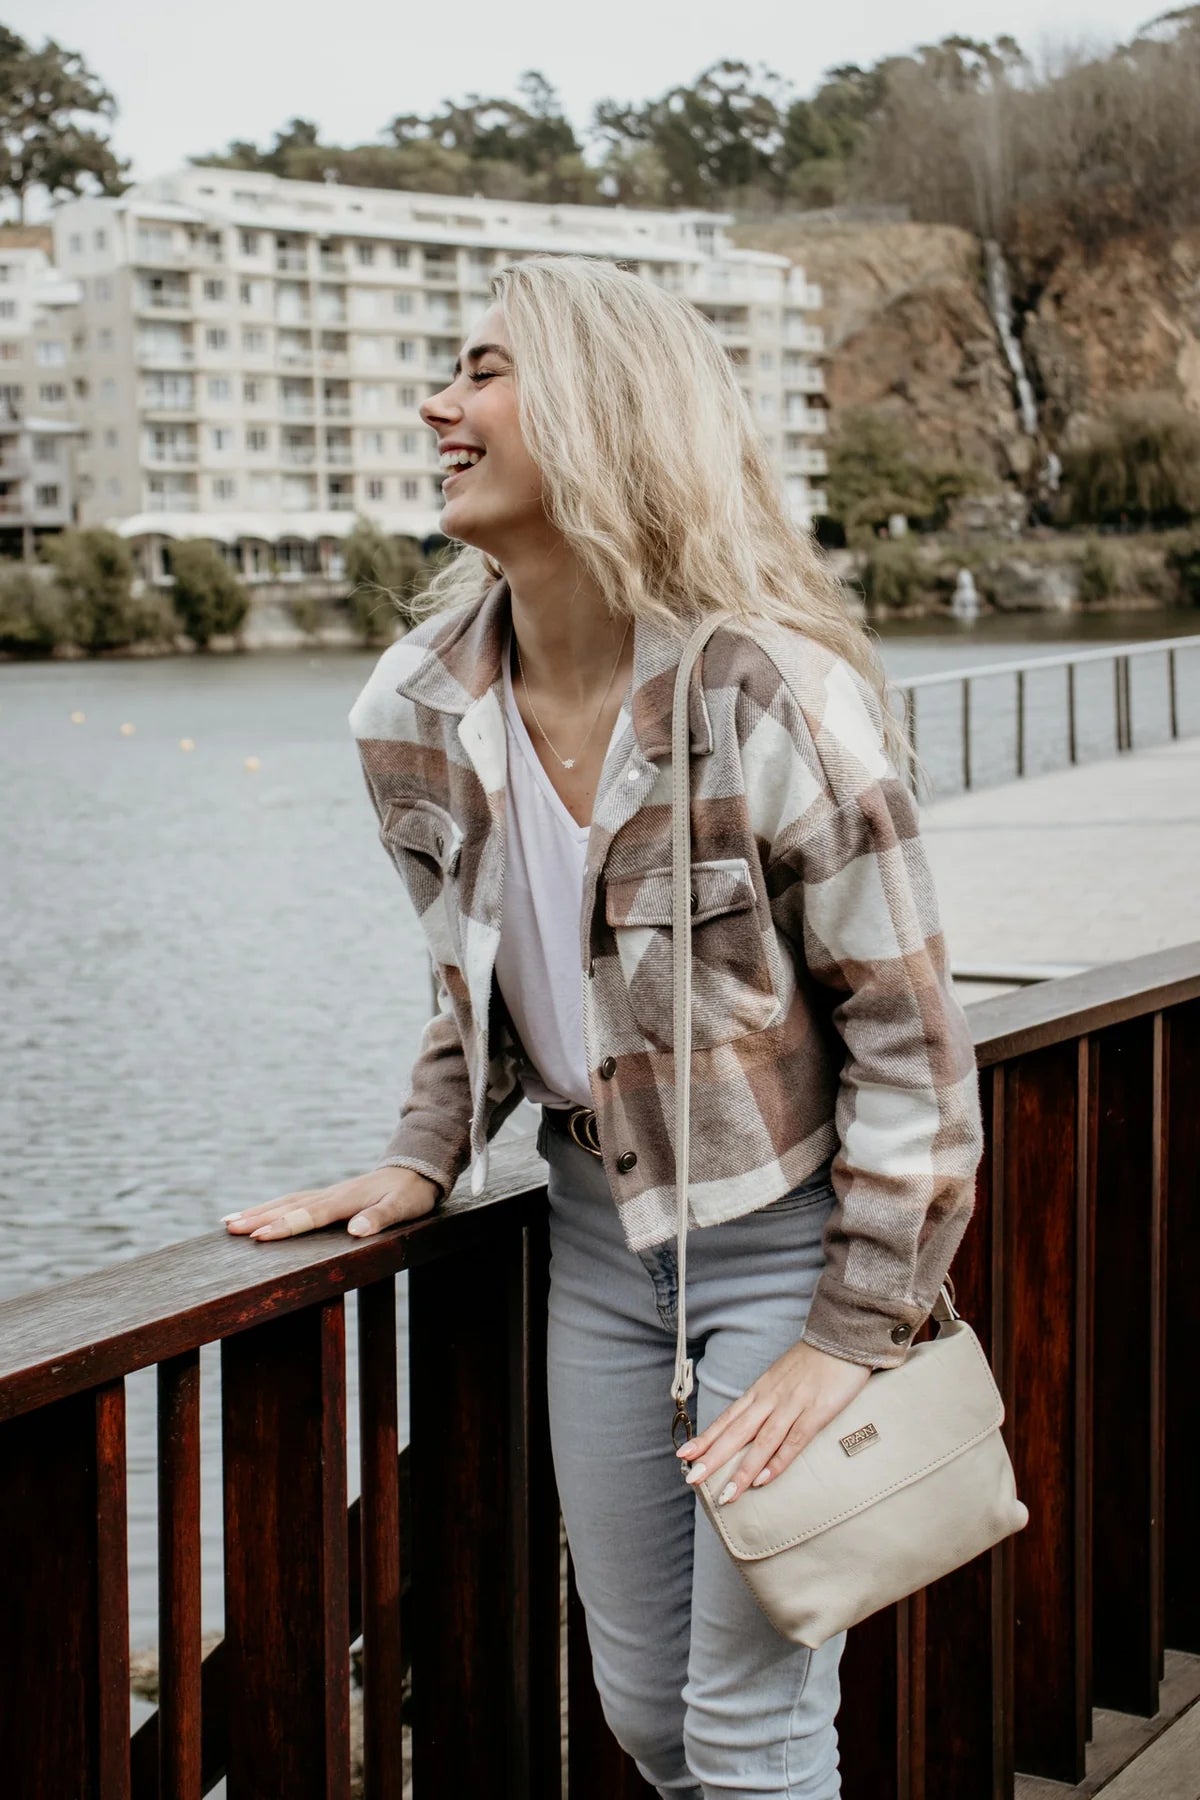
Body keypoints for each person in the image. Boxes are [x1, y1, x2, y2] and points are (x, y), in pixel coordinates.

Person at [225, 254, 984, 1798]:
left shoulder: (765, 696)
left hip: (785, 1243)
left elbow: (914, 1048)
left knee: (753, 1728)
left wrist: (854, 1328)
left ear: (599, 409)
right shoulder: (412, 708)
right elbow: (478, 985)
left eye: (483, 370)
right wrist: (424, 1155)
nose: (437, 405)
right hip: (594, 1238)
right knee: (646, 1718)